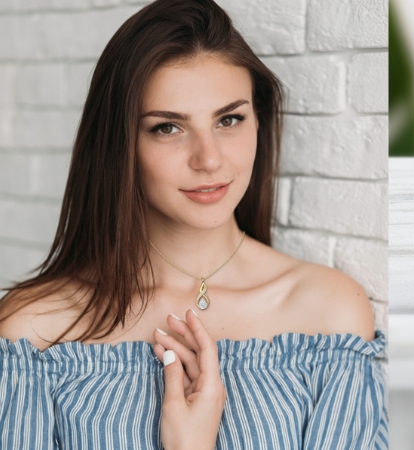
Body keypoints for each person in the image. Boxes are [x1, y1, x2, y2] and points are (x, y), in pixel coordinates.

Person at [0, 1, 387, 449]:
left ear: (259, 120)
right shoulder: (36, 333)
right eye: (168, 128)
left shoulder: (327, 315)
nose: (209, 159)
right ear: (118, 143)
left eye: (229, 119)